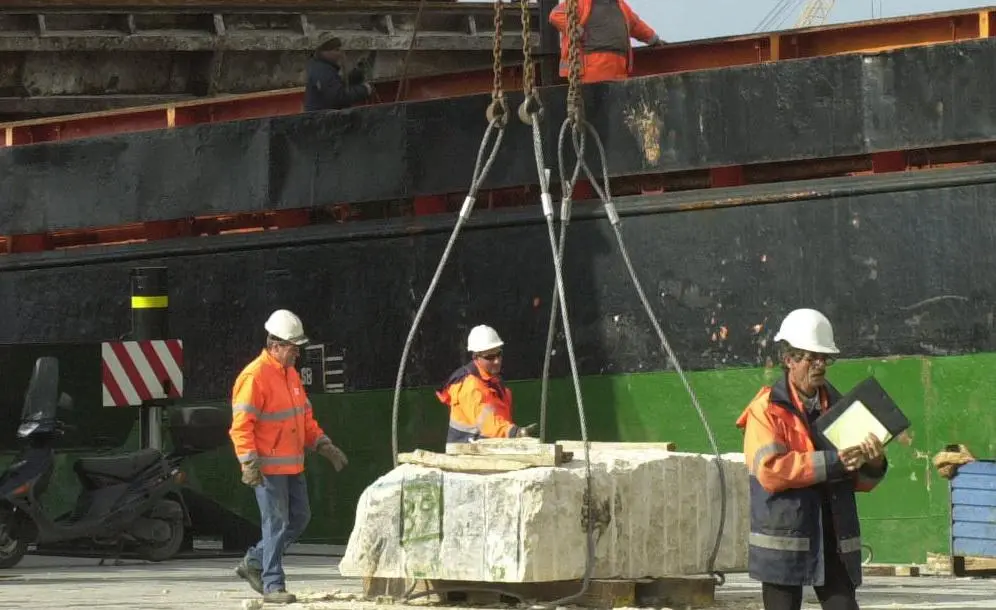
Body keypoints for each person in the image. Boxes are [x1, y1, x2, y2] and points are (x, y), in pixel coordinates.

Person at [736, 308, 889, 610]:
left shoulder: (842, 408)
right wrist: (833, 462)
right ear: (788, 359)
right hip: (785, 540)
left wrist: (873, 464)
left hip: (832, 537)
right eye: (810, 357)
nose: (819, 365)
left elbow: (858, 480)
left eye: (824, 358)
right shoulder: (765, 410)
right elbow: (771, 472)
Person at [229, 309, 349, 604]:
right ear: (275, 345)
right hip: (267, 468)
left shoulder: (290, 374)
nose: (297, 353)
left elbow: (303, 418)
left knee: (300, 518)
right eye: (293, 348)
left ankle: (254, 561)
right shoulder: (254, 377)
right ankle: (272, 585)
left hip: (293, 465)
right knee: (276, 523)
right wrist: (248, 462)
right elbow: (241, 426)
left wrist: (323, 444)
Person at [436, 325, 537, 442]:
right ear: (476, 357)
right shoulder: (469, 385)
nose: (497, 360)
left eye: (499, 354)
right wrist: (514, 432)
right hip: (468, 455)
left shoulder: (494, 382)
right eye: (490, 357)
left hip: (490, 449)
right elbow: (486, 423)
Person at [548, 0, 665, 84]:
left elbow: (636, 25)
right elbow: (556, 15)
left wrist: (653, 39)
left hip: (619, 68)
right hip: (592, 68)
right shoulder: (580, 3)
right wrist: (576, 30)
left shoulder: (621, 6)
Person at [303, 37, 374, 112]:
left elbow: (334, 86)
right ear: (324, 52)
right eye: (336, 50)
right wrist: (364, 90)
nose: (340, 54)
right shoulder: (323, 71)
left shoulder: (321, 66)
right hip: (324, 119)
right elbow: (337, 97)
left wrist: (354, 77)